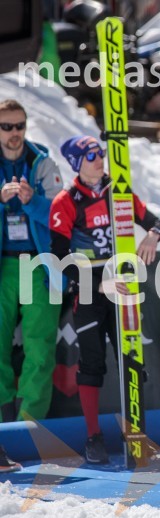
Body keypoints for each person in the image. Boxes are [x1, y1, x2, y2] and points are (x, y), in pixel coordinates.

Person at [50, 135, 160, 464]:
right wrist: (99, 286)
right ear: (76, 163)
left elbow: (155, 222)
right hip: (90, 290)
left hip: (123, 287)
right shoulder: (65, 201)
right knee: (91, 364)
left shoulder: (119, 192)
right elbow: (59, 256)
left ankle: (136, 432)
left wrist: (153, 237)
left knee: (132, 358)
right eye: (90, 156)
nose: (99, 160)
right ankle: (93, 437)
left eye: (100, 153)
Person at [0, 99, 63, 422]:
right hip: (4, 267)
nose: (14, 133)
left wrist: (31, 201)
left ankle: (28, 422)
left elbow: (60, 215)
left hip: (39, 264)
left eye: (19, 126)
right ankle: (2, 418)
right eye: (7, 127)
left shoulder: (42, 162)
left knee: (40, 347)